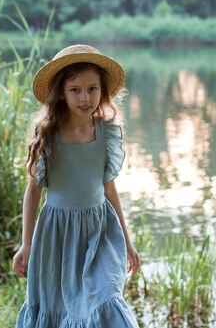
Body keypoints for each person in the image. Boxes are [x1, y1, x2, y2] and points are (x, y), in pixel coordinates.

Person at [13, 44, 141, 328]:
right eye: (76, 90)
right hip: (57, 234)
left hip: (99, 231)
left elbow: (109, 188)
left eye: (92, 89)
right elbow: (33, 191)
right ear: (61, 92)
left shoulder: (106, 132)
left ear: (102, 91)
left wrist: (128, 242)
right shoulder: (48, 134)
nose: (85, 98)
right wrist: (26, 244)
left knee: (106, 298)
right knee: (59, 308)